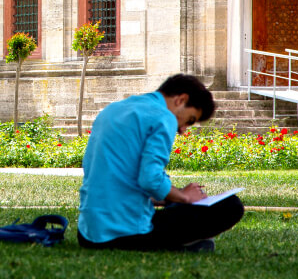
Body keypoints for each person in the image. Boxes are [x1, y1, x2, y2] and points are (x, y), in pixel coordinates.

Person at [77, 74, 244, 252]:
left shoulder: (113, 110)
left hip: (88, 233)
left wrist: (173, 196)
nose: (183, 130)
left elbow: (116, 179)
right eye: (190, 120)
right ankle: (180, 244)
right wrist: (185, 196)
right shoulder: (164, 117)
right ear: (181, 100)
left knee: (176, 203)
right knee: (231, 206)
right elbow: (150, 180)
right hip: (126, 232)